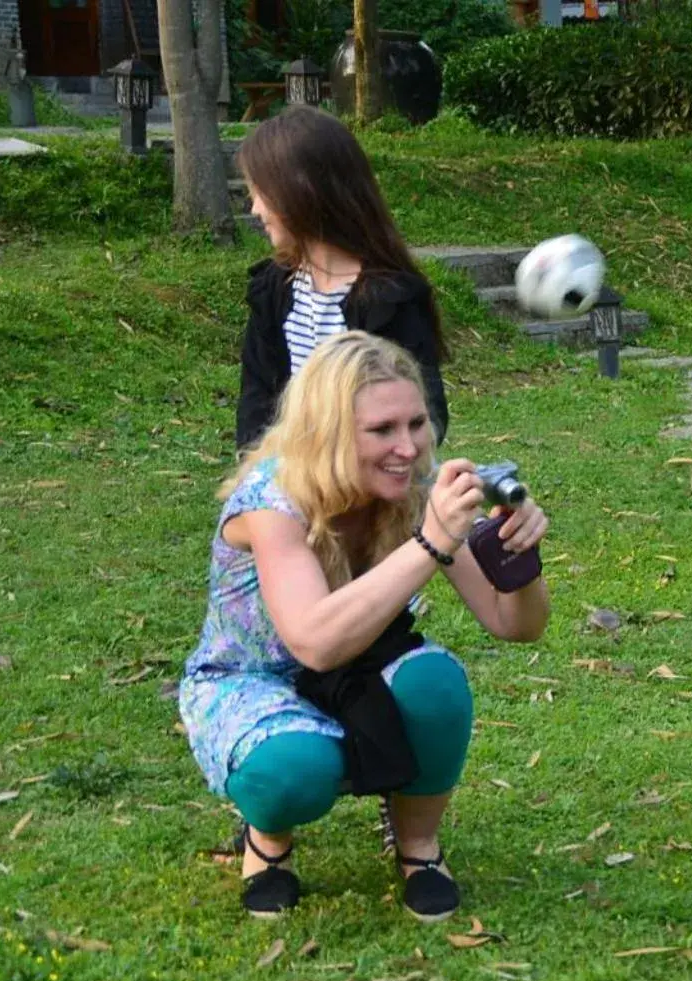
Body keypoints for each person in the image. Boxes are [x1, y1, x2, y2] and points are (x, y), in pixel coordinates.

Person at [179, 331, 550, 918]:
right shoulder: (270, 502)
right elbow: (316, 642)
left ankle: (419, 847)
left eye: (416, 424)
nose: (408, 447)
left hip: (360, 666)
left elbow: (514, 625)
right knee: (294, 768)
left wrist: (519, 560)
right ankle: (267, 843)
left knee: (436, 684)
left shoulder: (411, 490)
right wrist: (430, 542)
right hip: (254, 676)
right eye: (382, 430)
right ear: (326, 433)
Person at [234, 105, 450, 453]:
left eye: (260, 193)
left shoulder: (389, 300)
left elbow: (428, 416)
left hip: (374, 484)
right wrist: (265, 475)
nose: (255, 209)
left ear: (300, 191)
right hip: (293, 480)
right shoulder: (273, 290)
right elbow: (256, 407)